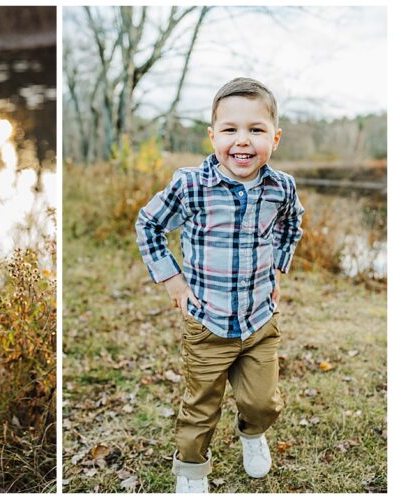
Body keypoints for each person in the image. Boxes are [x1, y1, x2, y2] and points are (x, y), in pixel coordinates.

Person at [135, 77, 305, 493]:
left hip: (260, 319)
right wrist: (173, 280)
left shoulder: (281, 188)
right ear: (212, 136)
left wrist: (278, 269)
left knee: (262, 401)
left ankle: (252, 432)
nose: (242, 141)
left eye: (256, 130)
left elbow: (292, 224)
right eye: (230, 130)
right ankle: (192, 472)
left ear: (275, 138)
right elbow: (149, 224)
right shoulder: (191, 185)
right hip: (207, 321)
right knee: (200, 406)